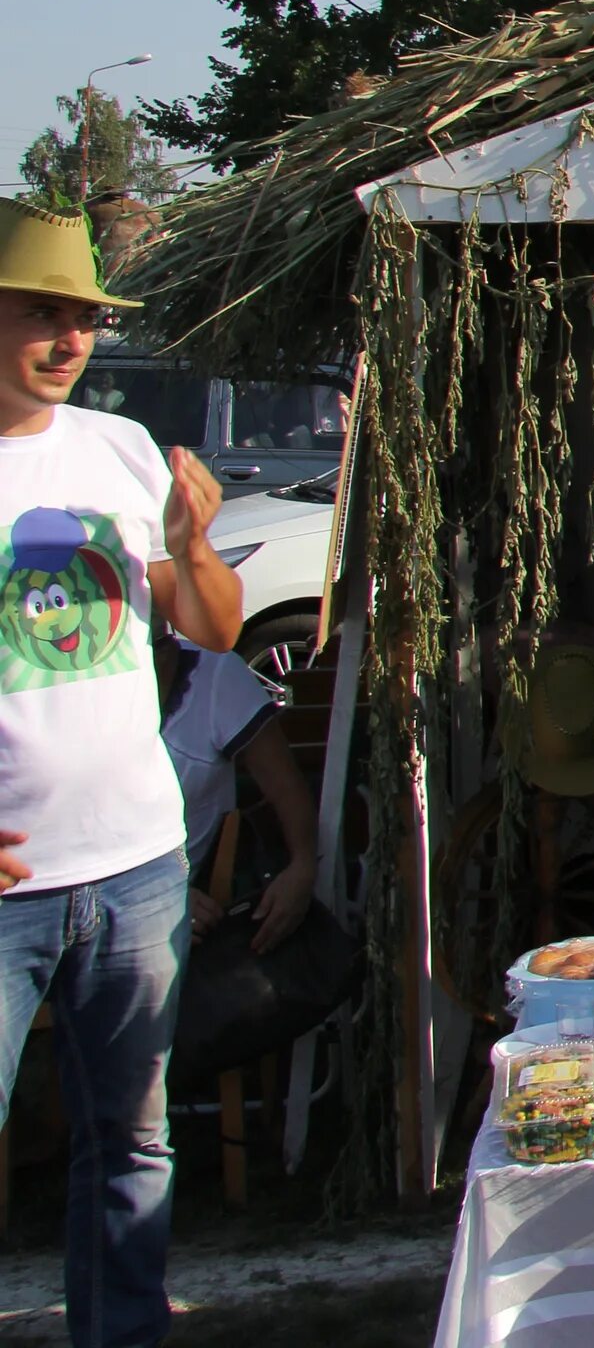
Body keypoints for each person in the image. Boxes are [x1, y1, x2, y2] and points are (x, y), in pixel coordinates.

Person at [0, 198, 244, 1348]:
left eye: (85, 316)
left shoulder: (119, 446)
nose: (70, 339)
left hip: (139, 858)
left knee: (134, 1144)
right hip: (10, 883)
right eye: (42, 313)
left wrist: (193, 547)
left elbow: (215, 626)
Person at [158, 636, 316, 953]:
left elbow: (287, 788)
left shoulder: (213, 672)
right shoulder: (67, 681)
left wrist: (303, 867)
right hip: (71, 901)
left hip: (187, 921)